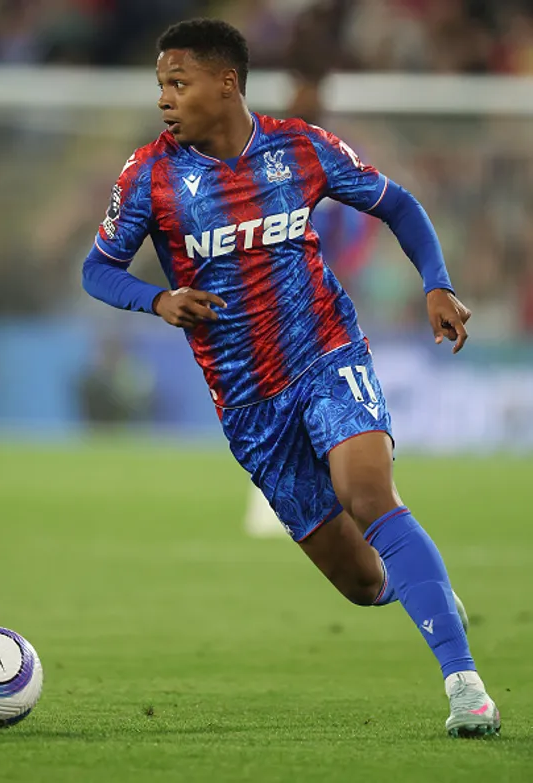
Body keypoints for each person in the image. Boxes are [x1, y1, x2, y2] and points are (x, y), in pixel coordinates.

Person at [82, 18, 499, 737]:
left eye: (177, 83)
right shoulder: (148, 175)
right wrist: (157, 298)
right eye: (160, 85)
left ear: (226, 82)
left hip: (327, 353)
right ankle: (427, 590)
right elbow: (97, 269)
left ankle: (466, 686)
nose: (165, 100)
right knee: (365, 582)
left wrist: (436, 281)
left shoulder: (299, 148)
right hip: (249, 405)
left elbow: (396, 203)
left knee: (368, 494)